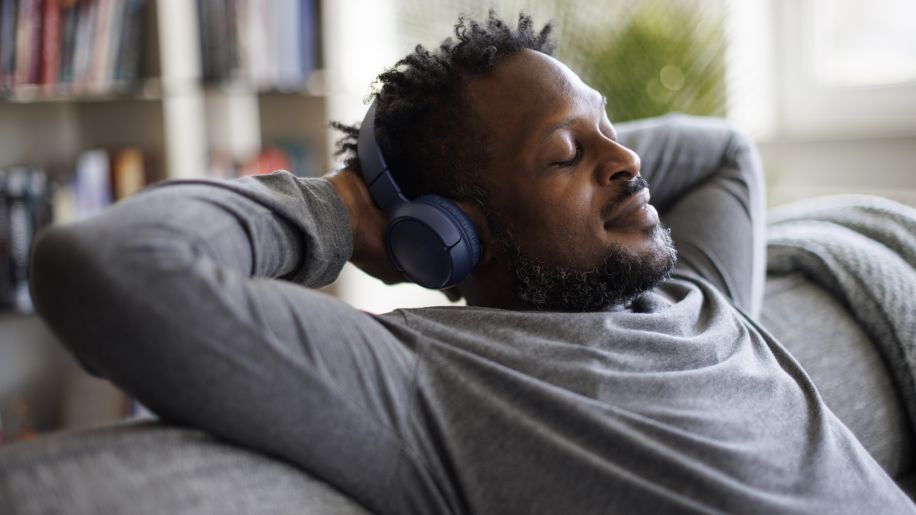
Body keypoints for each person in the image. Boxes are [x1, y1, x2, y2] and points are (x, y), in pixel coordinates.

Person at [28, 12, 914, 515]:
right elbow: (103, 263)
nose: (629, 161)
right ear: (456, 235)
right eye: (567, 155)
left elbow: (718, 151)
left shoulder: (696, 292)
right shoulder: (429, 384)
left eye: (609, 128)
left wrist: (576, 146)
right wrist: (337, 210)